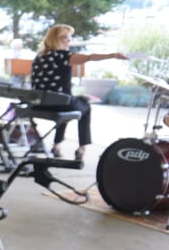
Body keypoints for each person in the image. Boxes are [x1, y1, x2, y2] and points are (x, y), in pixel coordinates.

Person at [31, 24, 127, 160]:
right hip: (59, 103)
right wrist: (113, 55)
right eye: (67, 38)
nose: (69, 41)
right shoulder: (63, 56)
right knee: (85, 107)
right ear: (57, 39)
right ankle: (82, 148)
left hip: (39, 103)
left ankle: (57, 144)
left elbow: (51, 85)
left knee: (72, 103)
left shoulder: (40, 56)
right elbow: (90, 57)